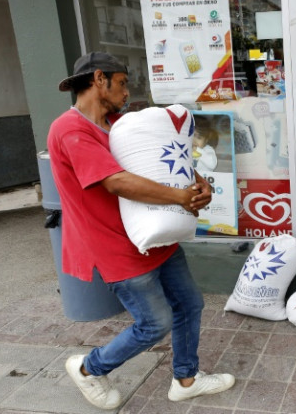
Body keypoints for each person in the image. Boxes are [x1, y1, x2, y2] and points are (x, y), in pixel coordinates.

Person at [48, 52, 235, 410]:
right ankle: (89, 369)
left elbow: (164, 156)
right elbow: (116, 182)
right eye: (122, 82)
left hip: (155, 234)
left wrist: (198, 185)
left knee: (189, 304)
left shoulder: (120, 124)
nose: (126, 91)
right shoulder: (70, 129)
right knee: (154, 323)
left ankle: (186, 379)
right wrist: (180, 198)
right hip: (116, 245)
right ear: (99, 79)